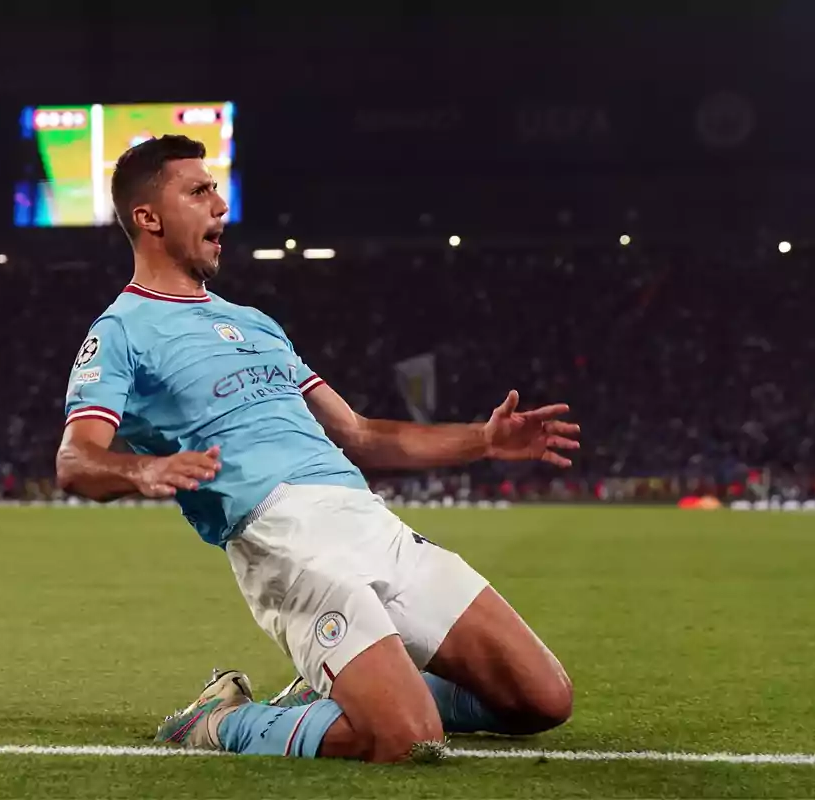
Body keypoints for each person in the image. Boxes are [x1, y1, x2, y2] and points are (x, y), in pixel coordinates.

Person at [56, 135, 579, 763]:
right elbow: (75, 460)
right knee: (411, 742)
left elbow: (357, 433)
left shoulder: (256, 323)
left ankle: (346, 694)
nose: (220, 205)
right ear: (147, 217)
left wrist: (483, 440)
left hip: (368, 522)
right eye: (198, 191)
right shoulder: (121, 332)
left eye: (215, 189)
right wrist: (146, 469)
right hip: (284, 542)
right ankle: (221, 721)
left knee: (543, 700)